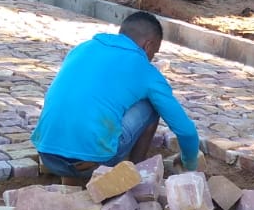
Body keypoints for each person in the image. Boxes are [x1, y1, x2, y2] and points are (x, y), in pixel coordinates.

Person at [33, 11, 200, 184]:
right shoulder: (145, 70)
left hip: (48, 155)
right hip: (94, 163)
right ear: (148, 45)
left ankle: (69, 179)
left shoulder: (82, 48)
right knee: (152, 106)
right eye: (154, 53)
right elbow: (186, 131)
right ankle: (136, 176)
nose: (151, 58)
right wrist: (189, 162)